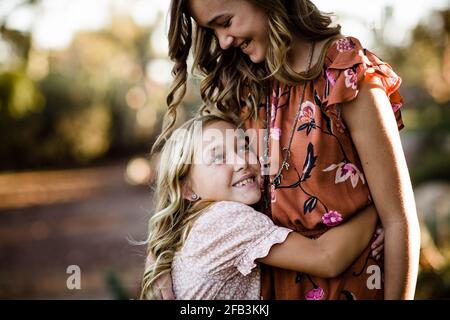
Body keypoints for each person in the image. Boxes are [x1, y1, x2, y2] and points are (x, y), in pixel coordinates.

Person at [153, 0, 421, 300]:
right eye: (211, 30)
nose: (223, 42)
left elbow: (398, 218)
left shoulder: (344, 75)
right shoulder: (245, 87)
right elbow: (193, 185)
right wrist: (161, 264)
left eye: (226, 22)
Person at [141, 114, 384, 300]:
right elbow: (327, 258)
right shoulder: (225, 219)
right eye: (217, 157)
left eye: (243, 146)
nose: (241, 161)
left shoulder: (196, 223)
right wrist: (378, 206)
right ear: (187, 189)